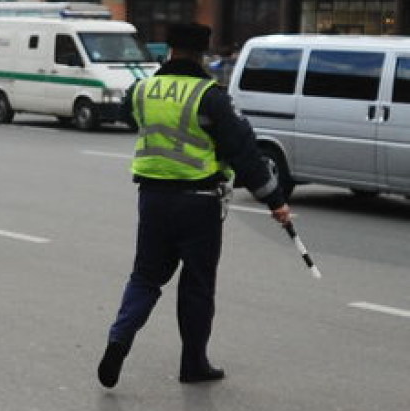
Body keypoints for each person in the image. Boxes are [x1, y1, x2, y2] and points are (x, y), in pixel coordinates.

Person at [98, 22, 292, 389]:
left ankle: (118, 341)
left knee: (145, 277)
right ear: (202, 54)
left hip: (153, 200)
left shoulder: (144, 90)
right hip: (199, 204)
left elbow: (128, 114)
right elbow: (245, 153)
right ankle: (193, 364)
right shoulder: (212, 97)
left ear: (169, 50)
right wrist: (275, 201)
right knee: (197, 285)